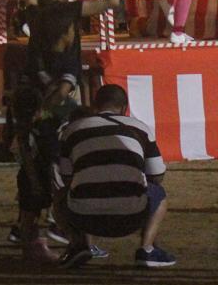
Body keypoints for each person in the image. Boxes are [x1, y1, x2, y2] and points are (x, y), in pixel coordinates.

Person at [15, 0, 129, 258]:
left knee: (33, 168)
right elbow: (113, 2)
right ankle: (68, 232)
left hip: (30, 98)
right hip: (57, 100)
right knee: (61, 168)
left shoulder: (34, 15)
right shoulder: (67, 11)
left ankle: (30, 232)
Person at [52, 84, 175, 269]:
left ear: (94, 106)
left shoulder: (73, 130)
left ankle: (79, 244)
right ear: (125, 107)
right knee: (159, 193)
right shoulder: (139, 128)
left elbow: (67, 176)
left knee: (62, 194)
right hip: (132, 216)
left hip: (84, 217)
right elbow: (157, 174)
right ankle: (147, 249)